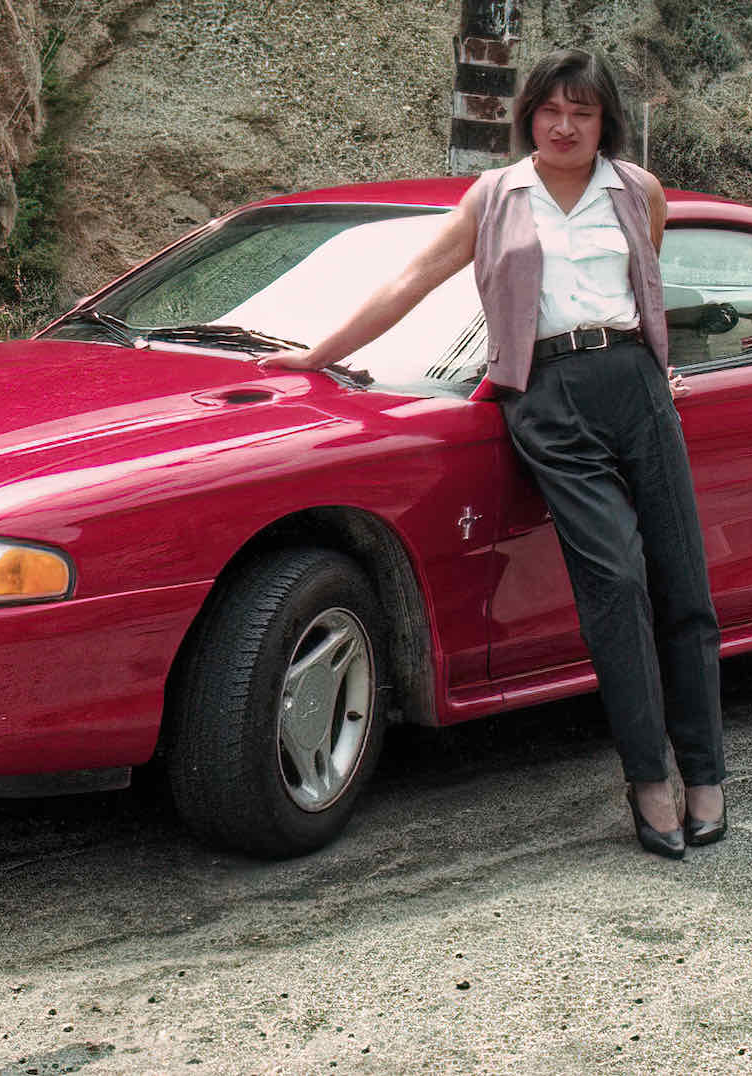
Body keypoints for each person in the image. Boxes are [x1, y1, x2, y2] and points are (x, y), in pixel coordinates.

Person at [259, 48, 726, 859]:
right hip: (546, 395)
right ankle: (649, 779)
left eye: (582, 111)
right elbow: (408, 281)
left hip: (640, 389)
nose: (565, 125)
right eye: (551, 109)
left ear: (604, 120)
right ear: (529, 116)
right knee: (614, 584)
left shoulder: (638, 191)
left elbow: (644, 285)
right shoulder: (497, 195)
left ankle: (708, 773)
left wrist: (660, 370)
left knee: (684, 588)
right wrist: (315, 353)